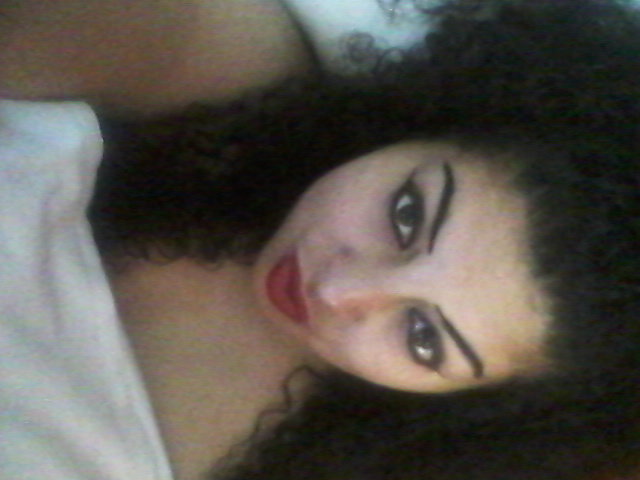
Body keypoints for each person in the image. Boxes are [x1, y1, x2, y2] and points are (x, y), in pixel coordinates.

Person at [2, 1, 640, 480]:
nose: (338, 290)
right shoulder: (236, 81)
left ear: (479, 402)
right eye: (406, 216)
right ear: (441, 122)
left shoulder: (312, 460)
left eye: (423, 337)